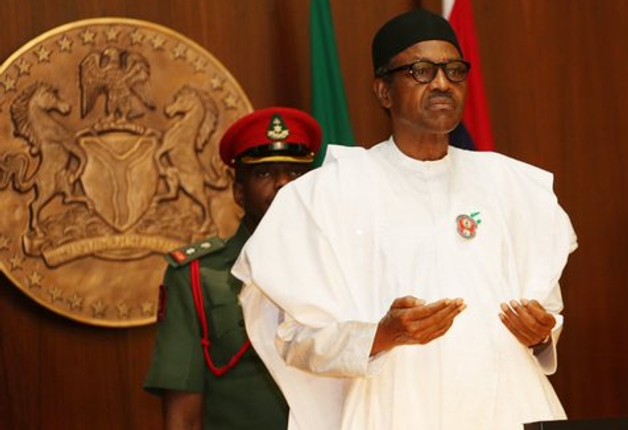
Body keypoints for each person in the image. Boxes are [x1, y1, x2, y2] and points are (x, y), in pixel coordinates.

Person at [234, 8, 577, 430]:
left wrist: (541, 333)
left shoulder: (511, 185)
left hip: (507, 409)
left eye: (454, 70)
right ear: (383, 91)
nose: (441, 83)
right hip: (394, 412)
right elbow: (294, 341)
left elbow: (547, 310)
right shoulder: (327, 195)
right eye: (421, 70)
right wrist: (382, 334)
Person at [144, 107, 322, 430]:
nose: (283, 184)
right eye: (264, 174)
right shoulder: (197, 277)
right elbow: (182, 419)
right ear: (238, 191)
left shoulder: (339, 267)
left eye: (296, 174)